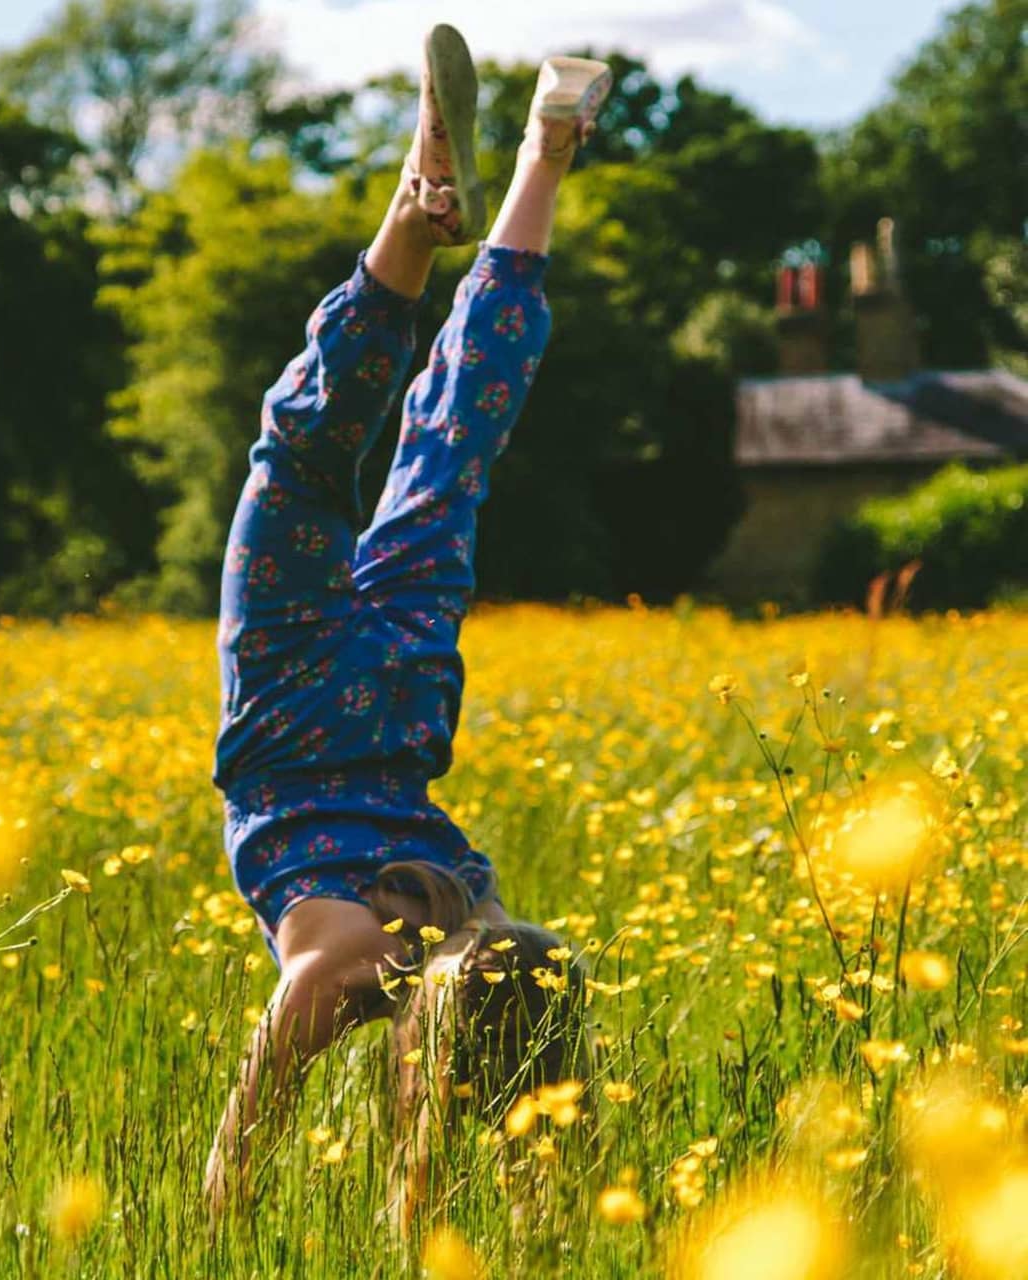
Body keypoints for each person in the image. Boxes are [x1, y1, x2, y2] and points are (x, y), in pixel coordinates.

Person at [202, 25, 608, 1215]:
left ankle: (526, 161)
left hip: (366, 704)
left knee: (440, 449)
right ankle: (459, 191)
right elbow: (235, 1155)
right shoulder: (420, 955)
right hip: (305, 707)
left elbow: (234, 1164)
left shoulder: (452, 928)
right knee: (341, 451)